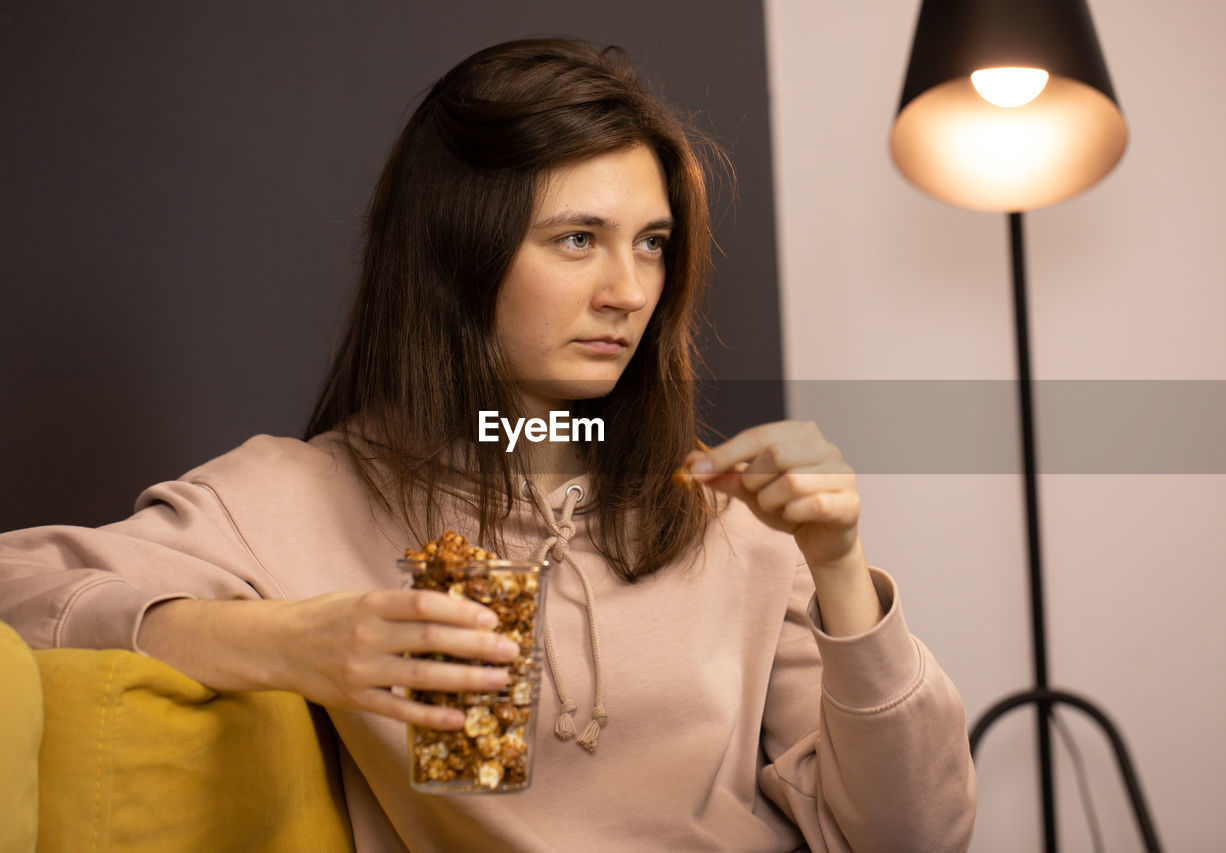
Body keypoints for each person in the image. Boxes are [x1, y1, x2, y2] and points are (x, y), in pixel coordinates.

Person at [0, 37, 976, 852]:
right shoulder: (295, 498)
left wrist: (842, 570)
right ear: (457, 259)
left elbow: (915, 835)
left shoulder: (732, 521)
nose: (629, 292)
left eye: (650, 241)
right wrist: (287, 643)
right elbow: (22, 584)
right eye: (576, 239)